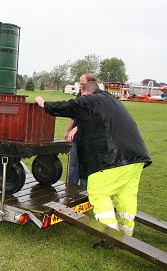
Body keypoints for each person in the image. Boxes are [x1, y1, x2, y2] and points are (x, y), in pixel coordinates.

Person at [35, 82, 151, 248]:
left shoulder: (89, 99)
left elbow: (69, 106)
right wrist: (78, 128)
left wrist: (43, 104)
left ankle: (111, 237)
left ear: (85, 91)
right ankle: (126, 233)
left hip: (114, 159)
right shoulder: (111, 100)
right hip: (136, 156)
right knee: (126, 195)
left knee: (98, 191)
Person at [64, 73, 96, 187]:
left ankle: (83, 191)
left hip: (87, 137)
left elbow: (91, 118)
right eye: (80, 83)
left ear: (90, 84)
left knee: (85, 165)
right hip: (75, 137)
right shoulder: (79, 96)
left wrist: (77, 128)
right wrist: (68, 130)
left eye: (82, 83)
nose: (80, 86)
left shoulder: (95, 99)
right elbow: (74, 115)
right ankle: (71, 189)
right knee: (73, 165)